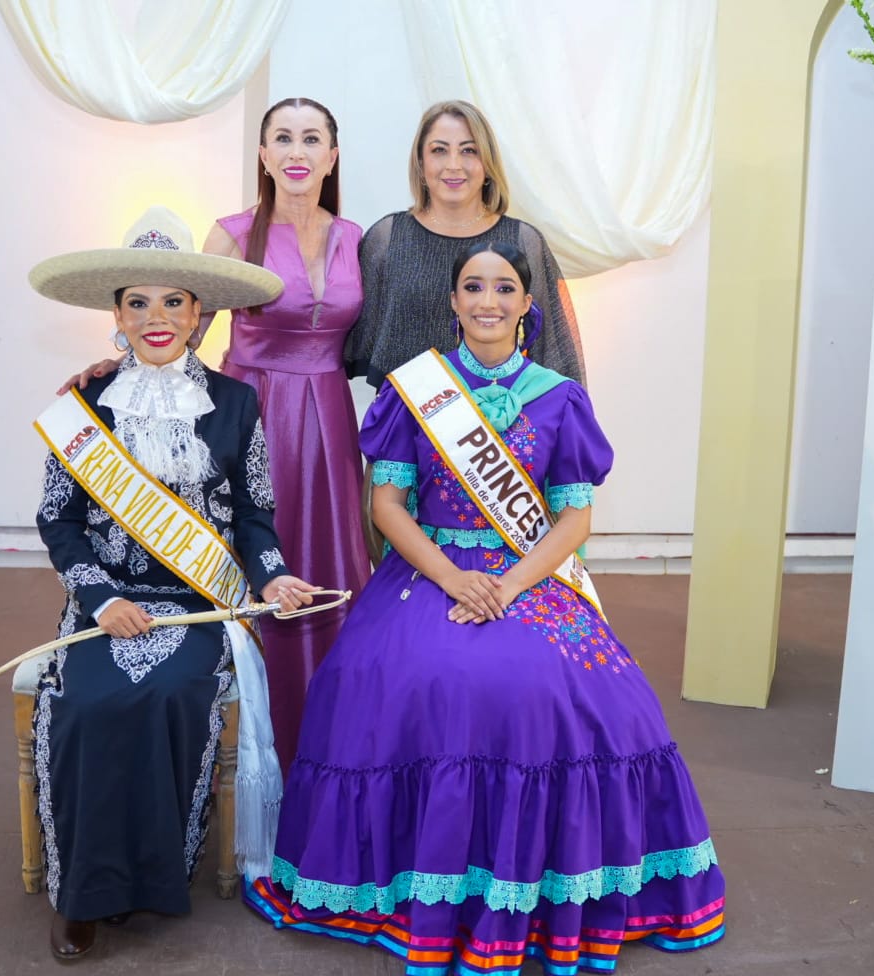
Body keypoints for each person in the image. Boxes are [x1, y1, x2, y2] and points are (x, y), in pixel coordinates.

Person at [246, 241, 725, 974]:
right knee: (399, 678)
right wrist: (451, 578)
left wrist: (507, 586)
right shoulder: (416, 390)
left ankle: (544, 886)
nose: (488, 301)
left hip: (524, 575)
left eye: (504, 288)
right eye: (473, 286)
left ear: (527, 304)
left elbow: (574, 519)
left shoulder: (558, 397)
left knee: (584, 696)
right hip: (428, 569)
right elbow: (387, 504)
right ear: (453, 301)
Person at [29, 206, 316, 961]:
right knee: (88, 703)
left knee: (168, 697)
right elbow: (59, 521)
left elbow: (255, 516)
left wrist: (273, 579)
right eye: (138, 302)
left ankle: (150, 878)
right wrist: (101, 599)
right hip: (106, 603)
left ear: (197, 314)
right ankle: (82, 893)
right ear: (116, 316)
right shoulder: (82, 406)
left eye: (173, 302)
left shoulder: (236, 404)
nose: (155, 317)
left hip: (197, 606)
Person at [61, 98, 370, 775]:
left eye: (310, 138)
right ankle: (257, 741)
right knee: (254, 546)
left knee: (330, 561)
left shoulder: (357, 239)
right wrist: (113, 366)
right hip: (252, 409)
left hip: (328, 421)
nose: (296, 151)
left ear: (332, 155)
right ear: (262, 154)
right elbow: (176, 328)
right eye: (281, 137)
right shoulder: (232, 234)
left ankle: (332, 742)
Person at [345, 99, 587, 390]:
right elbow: (338, 334)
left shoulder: (523, 240)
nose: (453, 165)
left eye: (469, 150)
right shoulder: (386, 238)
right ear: (420, 163)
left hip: (498, 413)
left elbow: (556, 357)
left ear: (487, 163)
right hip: (403, 413)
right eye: (439, 150)